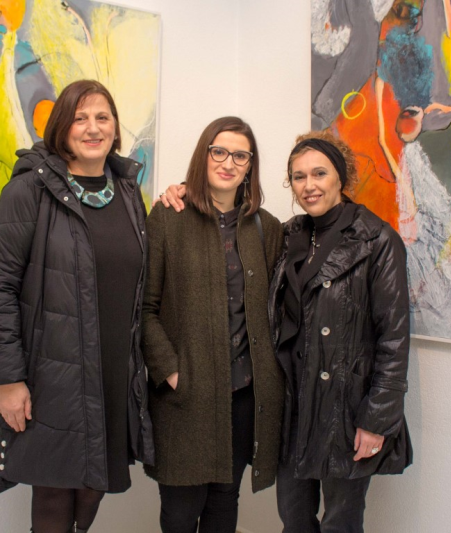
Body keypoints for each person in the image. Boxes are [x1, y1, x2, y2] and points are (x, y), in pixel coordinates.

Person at [0, 79, 154, 533]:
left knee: (95, 483)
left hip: (114, 371)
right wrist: (7, 378)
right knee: (55, 489)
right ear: (61, 127)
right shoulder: (29, 190)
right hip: (52, 372)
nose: (93, 128)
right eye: (80, 118)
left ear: (115, 127)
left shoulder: (128, 191)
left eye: (102, 117)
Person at [142, 116, 285, 533]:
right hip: (185, 396)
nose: (228, 163)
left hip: (243, 397)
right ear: (203, 155)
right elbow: (145, 309)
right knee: (180, 512)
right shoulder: (168, 217)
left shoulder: (267, 228)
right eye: (219, 151)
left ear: (250, 165)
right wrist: (172, 372)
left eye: (240, 155)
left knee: (224, 505)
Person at [270, 130, 412, 533]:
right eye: (299, 176)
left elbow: (394, 339)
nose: (309, 185)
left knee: (340, 524)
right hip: (294, 407)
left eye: (319, 173)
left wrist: (376, 419)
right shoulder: (288, 236)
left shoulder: (377, 240)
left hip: (346, 411)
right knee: (293, 520)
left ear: (340, 177)